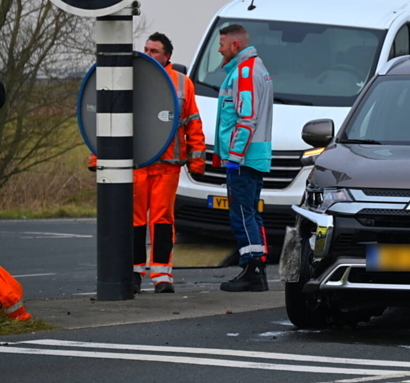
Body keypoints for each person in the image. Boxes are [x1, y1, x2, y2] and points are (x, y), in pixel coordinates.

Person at [89, 32, 206, 294]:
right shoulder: (131, 79)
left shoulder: (182, 83)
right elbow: (107, 119)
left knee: (163, 220)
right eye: (146, 49)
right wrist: (98, 156)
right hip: (139, 163)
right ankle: (134, 272)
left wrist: (197, 160)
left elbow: (193, 123)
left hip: (168, 165)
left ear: (167, 56)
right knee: (136, 221)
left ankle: (162, 275)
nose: (148, 54)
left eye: (154, 51)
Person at [214, 24, 274, 292]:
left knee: (242, 213)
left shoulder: (245, 72)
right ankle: (257, 268)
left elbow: (246, 119)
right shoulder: (253, 68)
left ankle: (252, 270)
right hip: (252, 156)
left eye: (222, 44)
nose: (219, 49)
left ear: (234, 46)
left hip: (244, 158)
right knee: (251, 213)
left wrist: (234, 157)